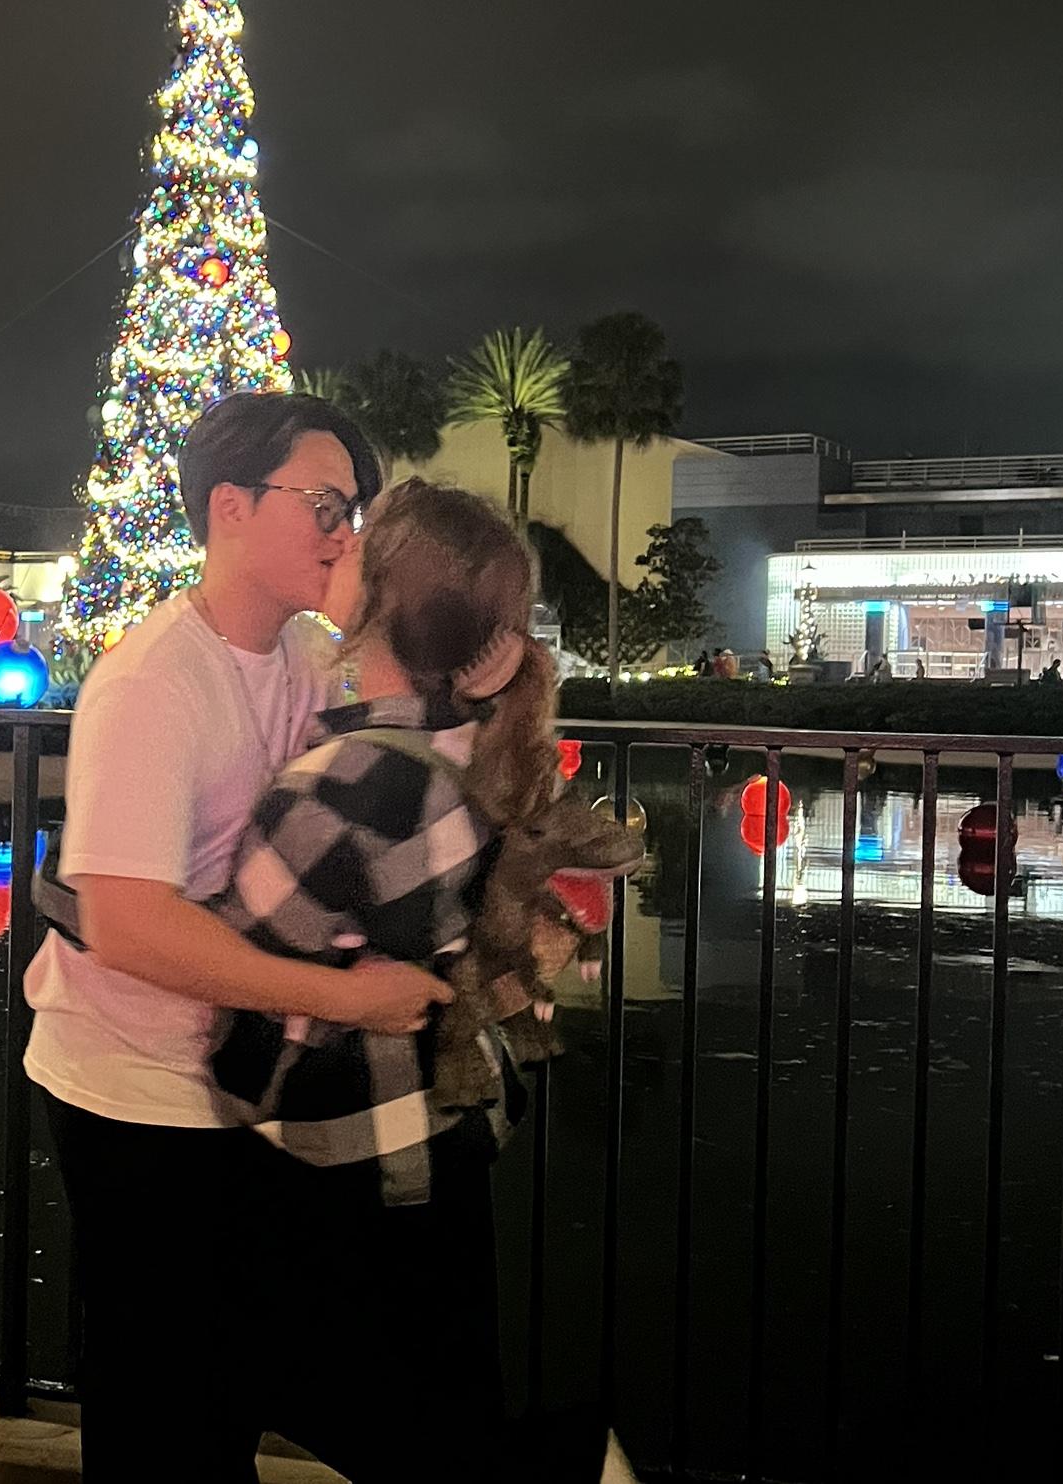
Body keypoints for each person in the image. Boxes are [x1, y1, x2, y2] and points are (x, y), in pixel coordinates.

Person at [22, 392, 449, 1482]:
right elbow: (126, 923)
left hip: (245, 1078)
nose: (344, 534)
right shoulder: (154, 683)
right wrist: (347, 999)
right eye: (324, 505)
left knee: (245, 1379)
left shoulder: (306, 655)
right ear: (229, 507)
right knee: (165, 1411)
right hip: (137, 1089)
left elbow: (406, 756)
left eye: (354, 511)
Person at [208, 480, 609, 1483]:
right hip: (448, 1119)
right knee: (446, 1396)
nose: (332, 546)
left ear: (381, 599)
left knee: (308, 1389)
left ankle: (571, 1463)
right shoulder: (474, 744)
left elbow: (245, 946)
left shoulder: (348, 779)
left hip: (348, 1138)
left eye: (353, 542)